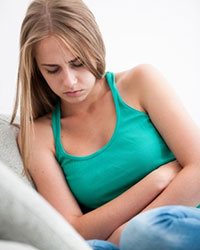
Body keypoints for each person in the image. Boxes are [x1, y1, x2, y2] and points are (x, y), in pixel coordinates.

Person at [10, 0, 200, 249]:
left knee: (142, 233)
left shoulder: (140, 82)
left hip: (181, 223)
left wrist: (126, 232)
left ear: (95, 48)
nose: (69, 81)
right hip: (111, 244)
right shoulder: (39, 135)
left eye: (77, 63)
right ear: (36, 70)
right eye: (52, 70)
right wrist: (156, 180)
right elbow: (72, 230)